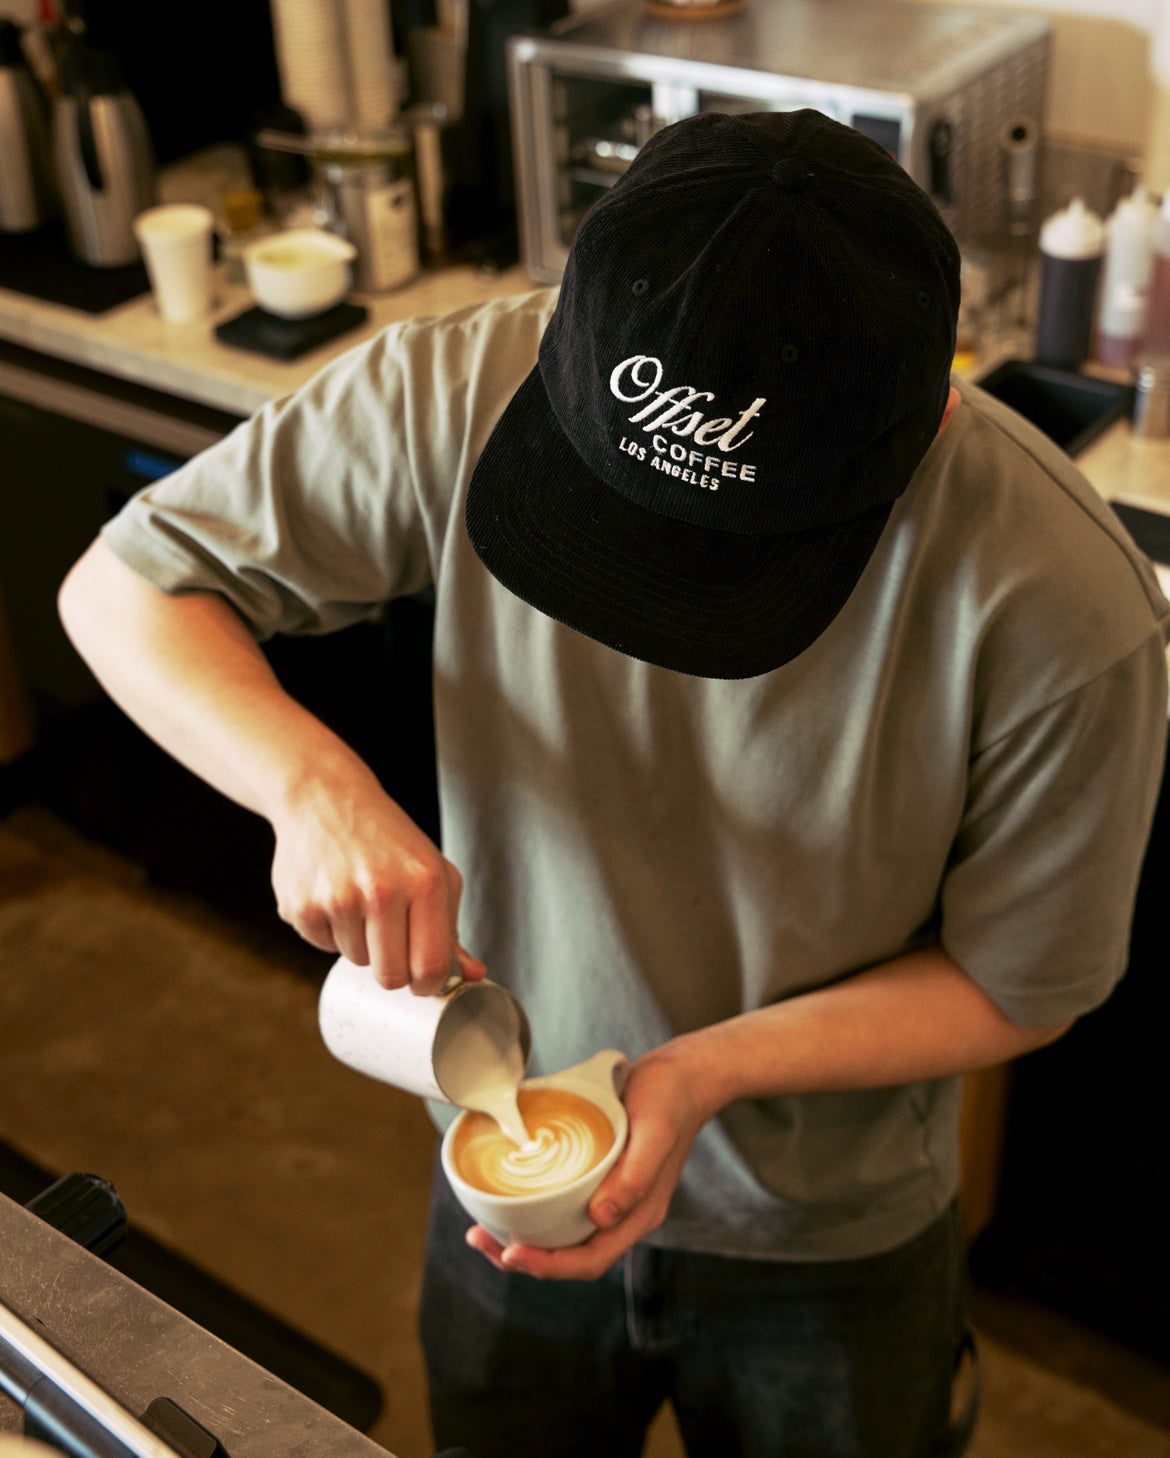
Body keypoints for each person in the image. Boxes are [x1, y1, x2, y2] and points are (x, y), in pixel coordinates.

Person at [59, 110, 1168, 1458]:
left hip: (826, 1232)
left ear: (929, 406)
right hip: (495, 1147)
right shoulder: (453, 386)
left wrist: (698, 1073)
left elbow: (1018, 979)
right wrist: (308, 783)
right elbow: (123, 586)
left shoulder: (1060, 602)